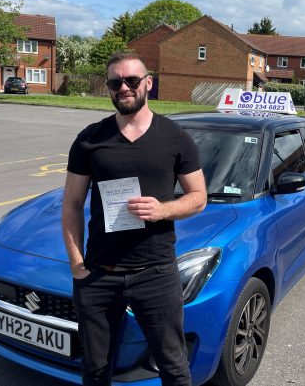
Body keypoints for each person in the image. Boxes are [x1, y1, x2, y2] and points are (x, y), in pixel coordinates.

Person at [62, 51, 207, 386]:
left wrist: (163, 209)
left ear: (148, 83)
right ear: (109, 88)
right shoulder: (89, 139)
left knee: (173, 366)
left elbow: (199, 198)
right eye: (116, 82)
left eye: (131, 80)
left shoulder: (175, 137)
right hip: (100, 274)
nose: (124, 87)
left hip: (155, 274)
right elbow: (71, 204)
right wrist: (77, 264)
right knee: (96, 369)